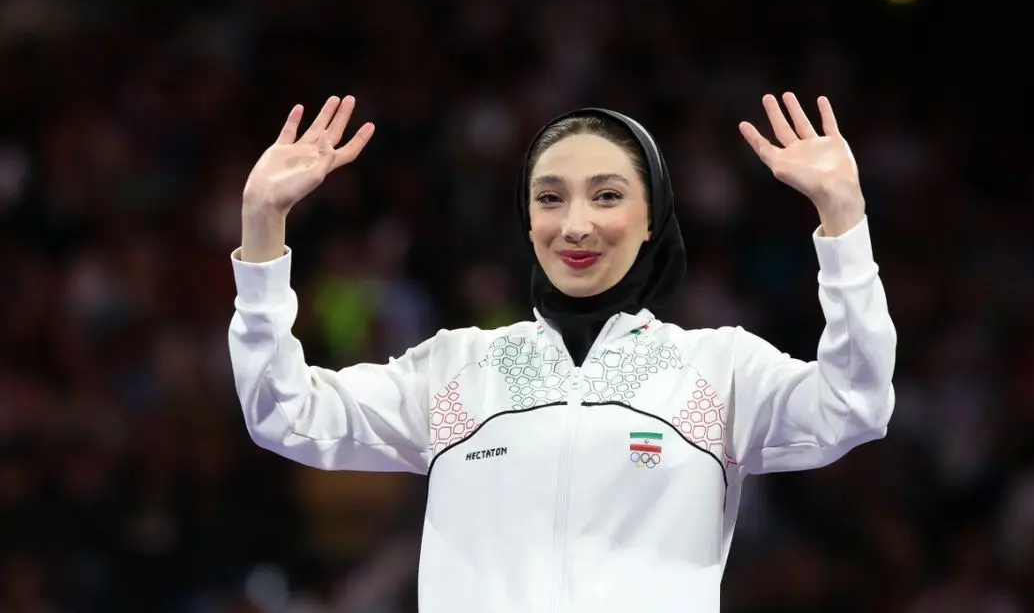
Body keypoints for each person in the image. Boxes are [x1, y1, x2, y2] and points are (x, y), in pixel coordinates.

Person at [228, 92, 898, 613]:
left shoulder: (718, 371)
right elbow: (283, 413)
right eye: (550, 198)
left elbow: (853, 404)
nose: (575, 225)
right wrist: (262, 224)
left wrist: (843, 218)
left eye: (607, 196)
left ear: (652, 218)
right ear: (528, 220)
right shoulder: (456, 370)